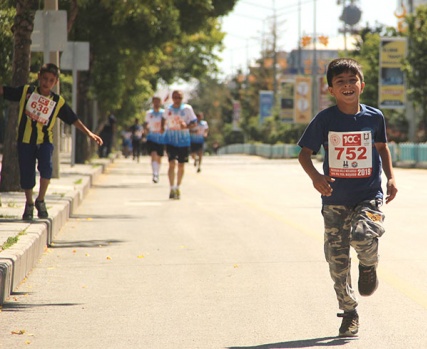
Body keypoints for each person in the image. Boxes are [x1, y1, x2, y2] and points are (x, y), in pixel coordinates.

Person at [297, 58, 398, 338]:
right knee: (336, 261)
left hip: (368, 195)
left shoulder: (374, 117)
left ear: (361, 85)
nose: (347, 85)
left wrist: (390, 177)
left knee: (364, 236)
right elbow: (304, 154)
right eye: (340, 81)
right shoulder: (325, 120)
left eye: (352, 80)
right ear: (331, 89)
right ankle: (349, 312)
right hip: (335, 199)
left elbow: (382, 147)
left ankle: (368, 265)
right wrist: (316, 178)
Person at [0, 63, 103, 220]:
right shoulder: (26, 92)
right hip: (25, 141)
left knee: (46, 170)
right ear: (39, 77)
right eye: (44, 78)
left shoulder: (57, 101)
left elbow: (73, 119)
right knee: (27, 173)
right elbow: (6, 91)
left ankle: (40, 199)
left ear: (55, 83)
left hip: (45, 141)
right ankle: (29, 203)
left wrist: (89, 133)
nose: (46, 82)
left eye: (51, 80)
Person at [163, 90, 197, 199]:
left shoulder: (187, 109)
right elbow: (163, 122)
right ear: (172, 98)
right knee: (172, 163)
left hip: (183, 140)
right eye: (175, 97)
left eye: (179, 98)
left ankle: (178, 186)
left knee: (181, 165)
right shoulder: (168, 109)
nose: (177, 100)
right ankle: (171, 187)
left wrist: (186, 125)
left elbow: (194, 123)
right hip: (171, 140)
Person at [144, 96, 165, 183]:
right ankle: (154, 174)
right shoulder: (149, 113)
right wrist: (146, 130)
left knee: (159, 156)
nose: (156, 104)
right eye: (155, 102)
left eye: (158, 102)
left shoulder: (164, 113)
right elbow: (146, 124)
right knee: (153, 154)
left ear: (160, 103)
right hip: (151, 136)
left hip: (161, 137)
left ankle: (157, 172)